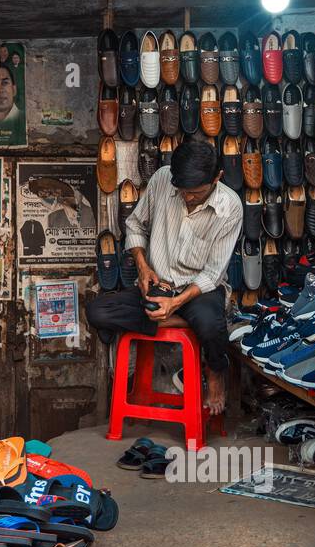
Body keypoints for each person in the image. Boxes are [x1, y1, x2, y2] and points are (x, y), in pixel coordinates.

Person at [85, 140, 243, 415]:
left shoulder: (230, 207)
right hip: (158, 285)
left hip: (198, 290)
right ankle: (173, 318)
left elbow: (212, 273)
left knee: (209, 322)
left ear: (217, 177)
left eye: (196, 192)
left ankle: (216, 372)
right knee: (98, 311)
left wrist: (177, 301)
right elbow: (134, 224)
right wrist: (144, 267)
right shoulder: (161, 179)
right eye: (183, 191)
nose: (188, 198)